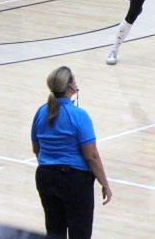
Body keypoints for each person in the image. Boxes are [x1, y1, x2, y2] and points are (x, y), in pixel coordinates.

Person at [32, 66, 112, 238]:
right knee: (80, 233)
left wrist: (50, 167)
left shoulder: (40, 112)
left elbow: (36, 148)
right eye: (74, 80)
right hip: (74, 181)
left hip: (45, 177)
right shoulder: (79, 115)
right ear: (70, 87)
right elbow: (91, 156)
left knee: (54, 231)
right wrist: (104, 183)